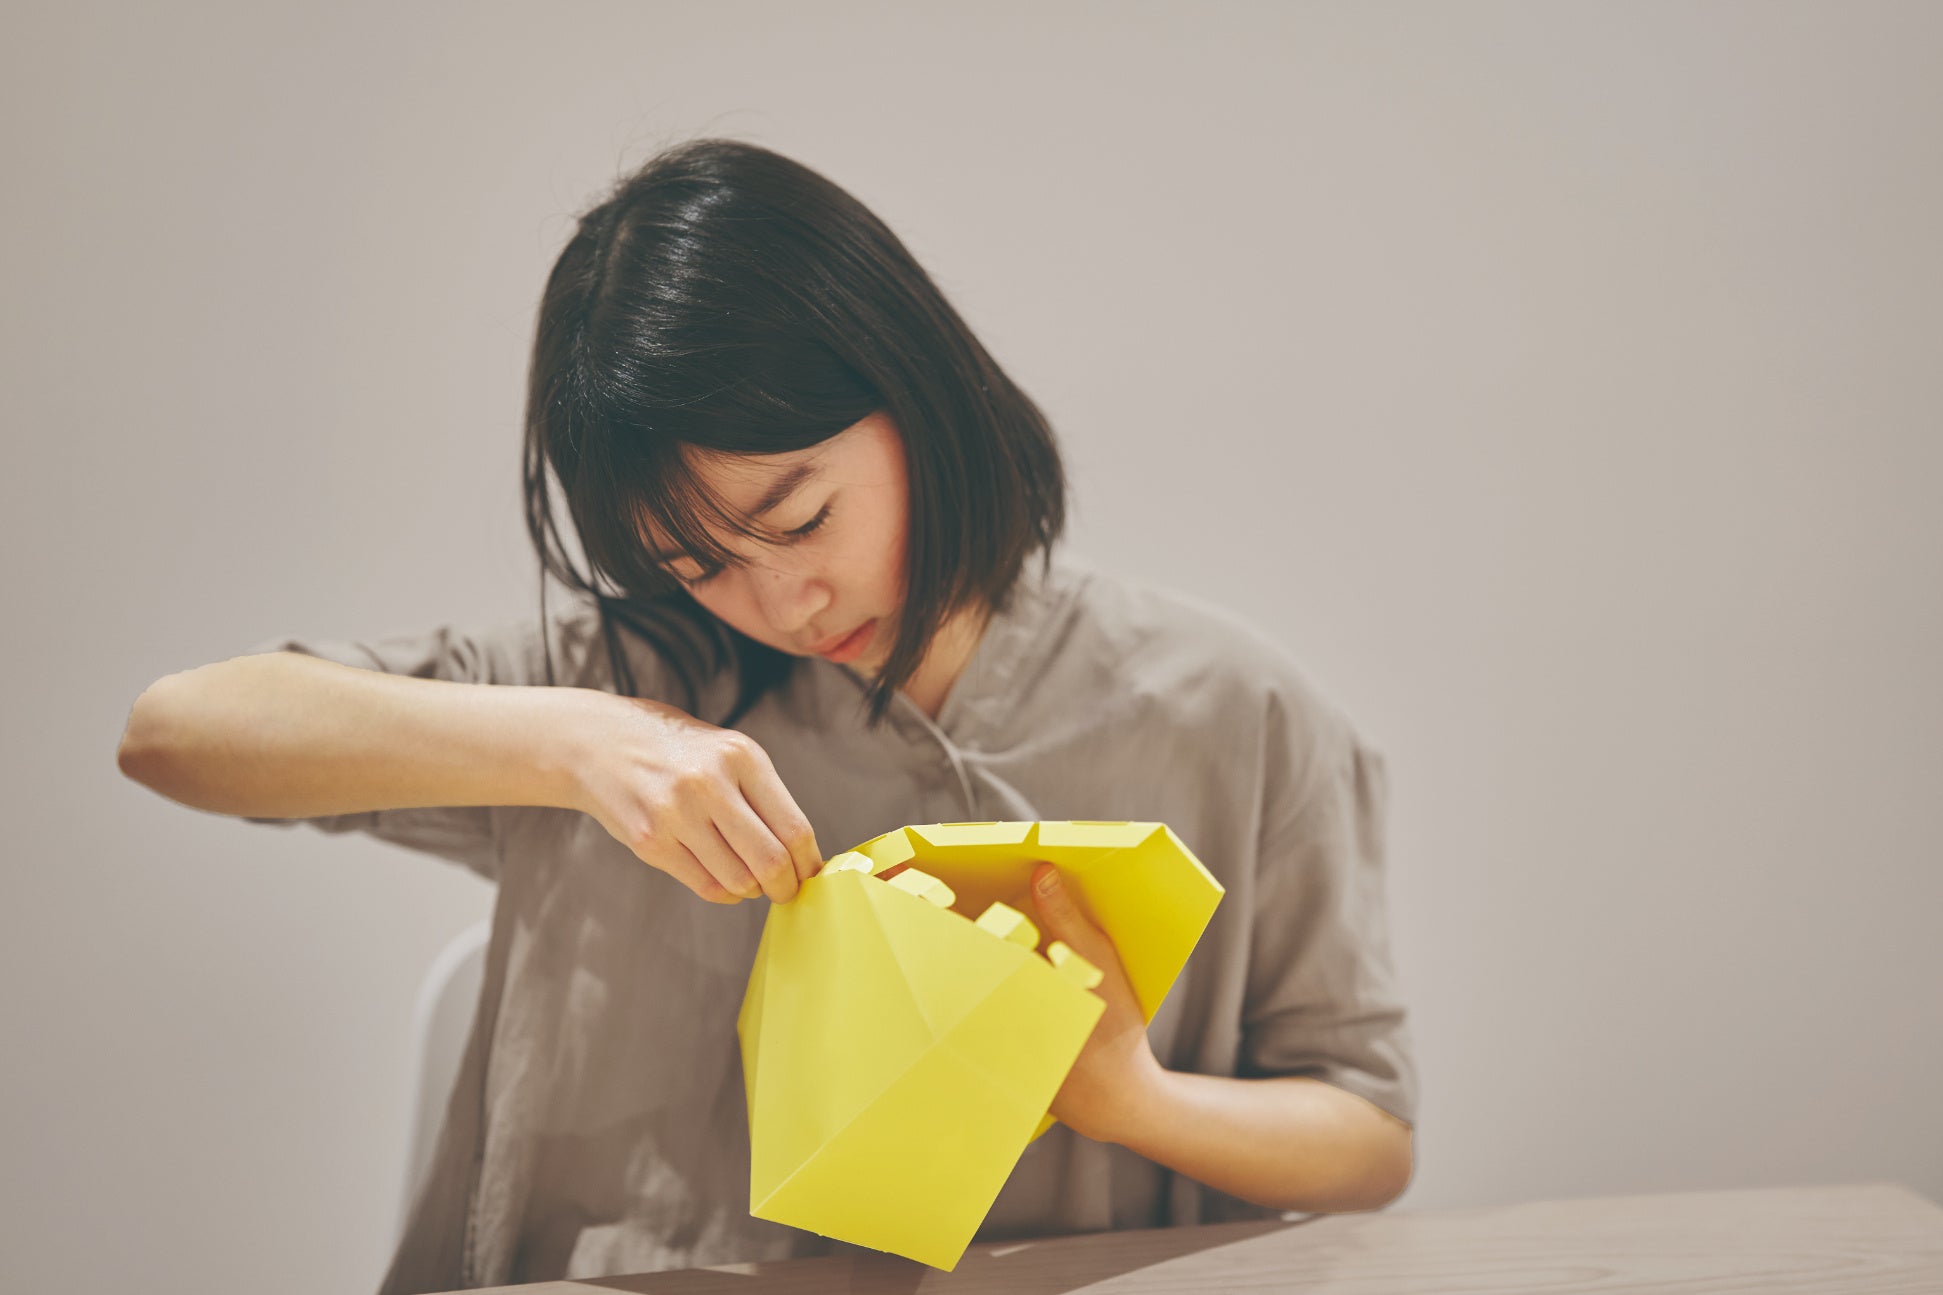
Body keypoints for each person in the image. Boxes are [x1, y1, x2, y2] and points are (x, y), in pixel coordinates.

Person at [117, 137, 1418, 1294]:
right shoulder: (619, 676)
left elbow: (1368, 1139)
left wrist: (1129, 1098)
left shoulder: (1230, 713)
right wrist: (577, 743)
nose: (784, 604)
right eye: (699, 567)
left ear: (917, 396)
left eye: (802, 519)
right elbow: (176, 732)